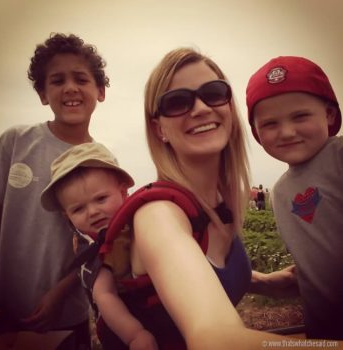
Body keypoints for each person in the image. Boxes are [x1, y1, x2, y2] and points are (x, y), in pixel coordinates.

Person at [98, 48, 309, 349]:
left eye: (213, 93)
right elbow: (215, 339)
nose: (199, 108)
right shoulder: (159, 215)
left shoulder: (221, 201)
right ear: (159, 129)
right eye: (177, 102)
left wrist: (263, 282)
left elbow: (196, 271)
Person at [0, 33, 109, 348]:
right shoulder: (15, 142)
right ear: (43, 94)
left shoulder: (102, 162)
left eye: (81, 79)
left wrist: (60, 293)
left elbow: (99, 244)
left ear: (99, 91)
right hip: (2, 308)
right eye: (57, 81)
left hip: (65, 315)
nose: (70, 88)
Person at [246, 55, 343, 339]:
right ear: (256, 132)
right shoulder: (279, 192)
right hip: (323, 332)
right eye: (270, 124)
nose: (287, 132)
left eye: (300, 116)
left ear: (329, 114)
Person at [40, 142, 158, 350]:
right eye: (78, 209)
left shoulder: (140, 218)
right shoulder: (91, 248)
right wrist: (135, 335)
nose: (92, 212)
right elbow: (105, 295)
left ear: (123, 192)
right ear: (66, 216)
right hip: (127, 321)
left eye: (101, 199)